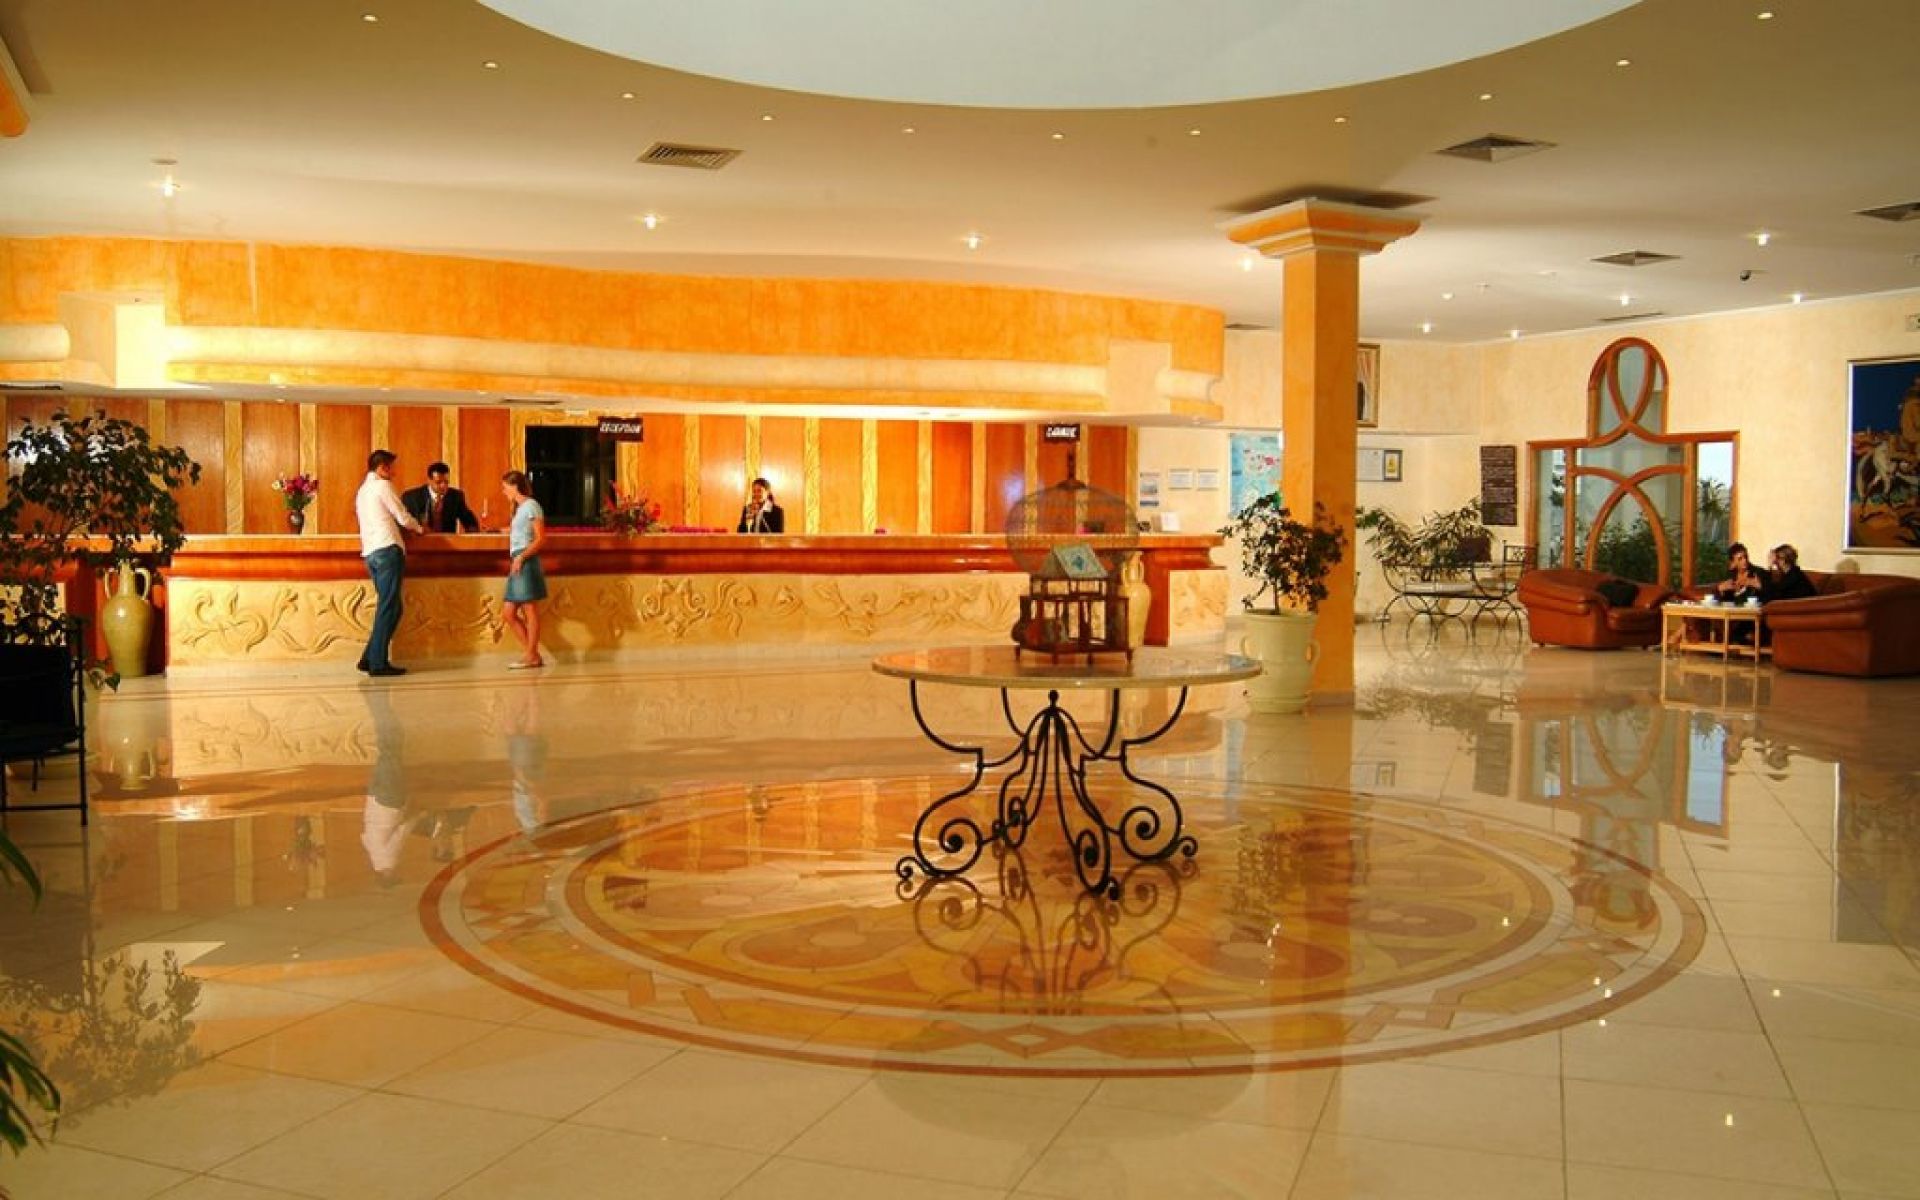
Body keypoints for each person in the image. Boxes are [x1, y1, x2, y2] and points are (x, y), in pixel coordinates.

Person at [356, 449, 426, 677]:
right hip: (387, 550)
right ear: (382, 468)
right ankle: (377, 662)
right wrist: (419, 528)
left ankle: (369, 657)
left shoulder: (363, 490)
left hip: (371, 553)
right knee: (389, 607)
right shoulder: (382, 486)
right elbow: (402, 515)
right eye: (391, 468)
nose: (394, 473)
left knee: (392, 607)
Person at [501, 469, 548, 669]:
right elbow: (520, 532)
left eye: (505, 487)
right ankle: (532, 654)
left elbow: (541, 539)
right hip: (518, 559)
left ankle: (531, 655)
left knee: (530, 609)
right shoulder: (520, 509)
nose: (503, 491)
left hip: (525, 560)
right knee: (508, 613)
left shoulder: (531, 506)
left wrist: (521, 557)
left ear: (514, 486)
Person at [401, 461, 480, 533]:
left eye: (446, 482)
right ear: (429, 480)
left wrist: (473, 531)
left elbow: (469, 521)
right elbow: (403, 524)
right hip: (420, 542)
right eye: (438, 482)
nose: (443, 486)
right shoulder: (411, 497)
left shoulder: (455, 496)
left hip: (448, 543)